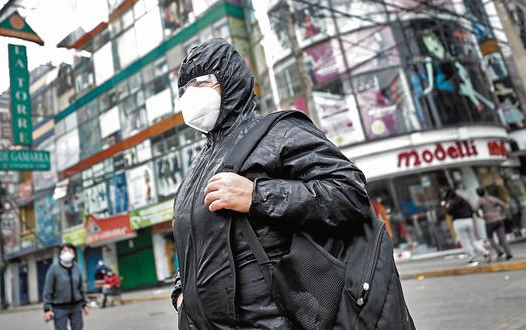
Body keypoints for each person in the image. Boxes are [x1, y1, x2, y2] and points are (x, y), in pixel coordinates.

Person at [170, 38, 412, 329]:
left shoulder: (277, 133)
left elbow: (349, 193)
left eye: (201, 82)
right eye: (185, 88)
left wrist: (258, 195)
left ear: (230, 81)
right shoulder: (198, 166)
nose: (190, 95)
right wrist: (181, 292)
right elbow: (194, 242)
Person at [42, 243, 89, 330]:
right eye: (64, 250)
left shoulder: (77, 268)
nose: (66, 252)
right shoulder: (53, 269)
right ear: (60, 254)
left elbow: (81, 287)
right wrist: (47, 309)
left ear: (74, 254)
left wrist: (84, 304)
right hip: (59, 308)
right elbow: (48, 290)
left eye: (69, 250)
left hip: (76, 307)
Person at [441, 188, 490, 266]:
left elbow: (449, 212)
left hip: (459, 222)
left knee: (465, 241)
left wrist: (445, 206)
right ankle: (484, 251)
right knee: (473, 240)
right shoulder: (463, 200)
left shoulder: (451, 202)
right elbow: (472, 209)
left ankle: (472, 258)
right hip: (469, 220)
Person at [475, 187, 513, 260]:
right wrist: (502, 214)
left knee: (490, 238)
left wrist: (480, 216)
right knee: (502, 238)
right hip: (499, 219)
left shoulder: (480, 200)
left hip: (489, 221)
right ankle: (508, 253)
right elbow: (503, 205)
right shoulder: (492, 198)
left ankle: (499, 252)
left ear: (477, 194)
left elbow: (475, 209)